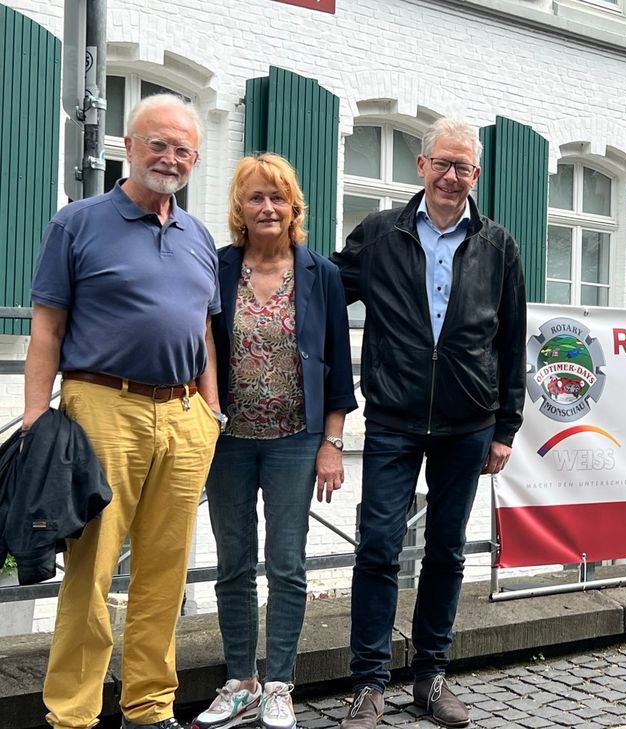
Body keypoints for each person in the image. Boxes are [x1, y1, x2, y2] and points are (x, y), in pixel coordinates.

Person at [23, 94, 222, 729]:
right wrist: (36, 423)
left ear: (195, 159)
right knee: (91, 571)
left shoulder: (199, 235)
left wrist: (211, 410)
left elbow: (205, 329)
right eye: (157, 144)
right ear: (128, 146)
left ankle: (149, 707)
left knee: (164, 574)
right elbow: (47, 329)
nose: (169, 158)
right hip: (102, 409)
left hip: (184, 416)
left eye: (182, 149)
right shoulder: (77, 223)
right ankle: (73, 715)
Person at [332, 116, 527, 729]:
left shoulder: (498, 246)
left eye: (462, 166)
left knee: (446, 551)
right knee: (378, 548)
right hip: (394, 416)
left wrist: (506, 428)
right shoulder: (379, 234)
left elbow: (512, 341)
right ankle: (368, 684)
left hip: (468, 423)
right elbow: (323, 291)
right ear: (421, 166)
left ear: (476, 174)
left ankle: (431, 676)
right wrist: (254, 270)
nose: (450, 176)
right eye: (441, 163)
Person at [190, 153, 357, 729]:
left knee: (287, 564)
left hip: (295, 441)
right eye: (255, 197)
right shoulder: (217, 268)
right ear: (239, 208)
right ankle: (240, 681)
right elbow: (198, 345)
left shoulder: (320, 274)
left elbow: (338, 363)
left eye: (277, 197)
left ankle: (280, 684)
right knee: (232, 563)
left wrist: (332, 442)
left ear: (294, 208)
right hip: (228, 441)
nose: (267, 207)